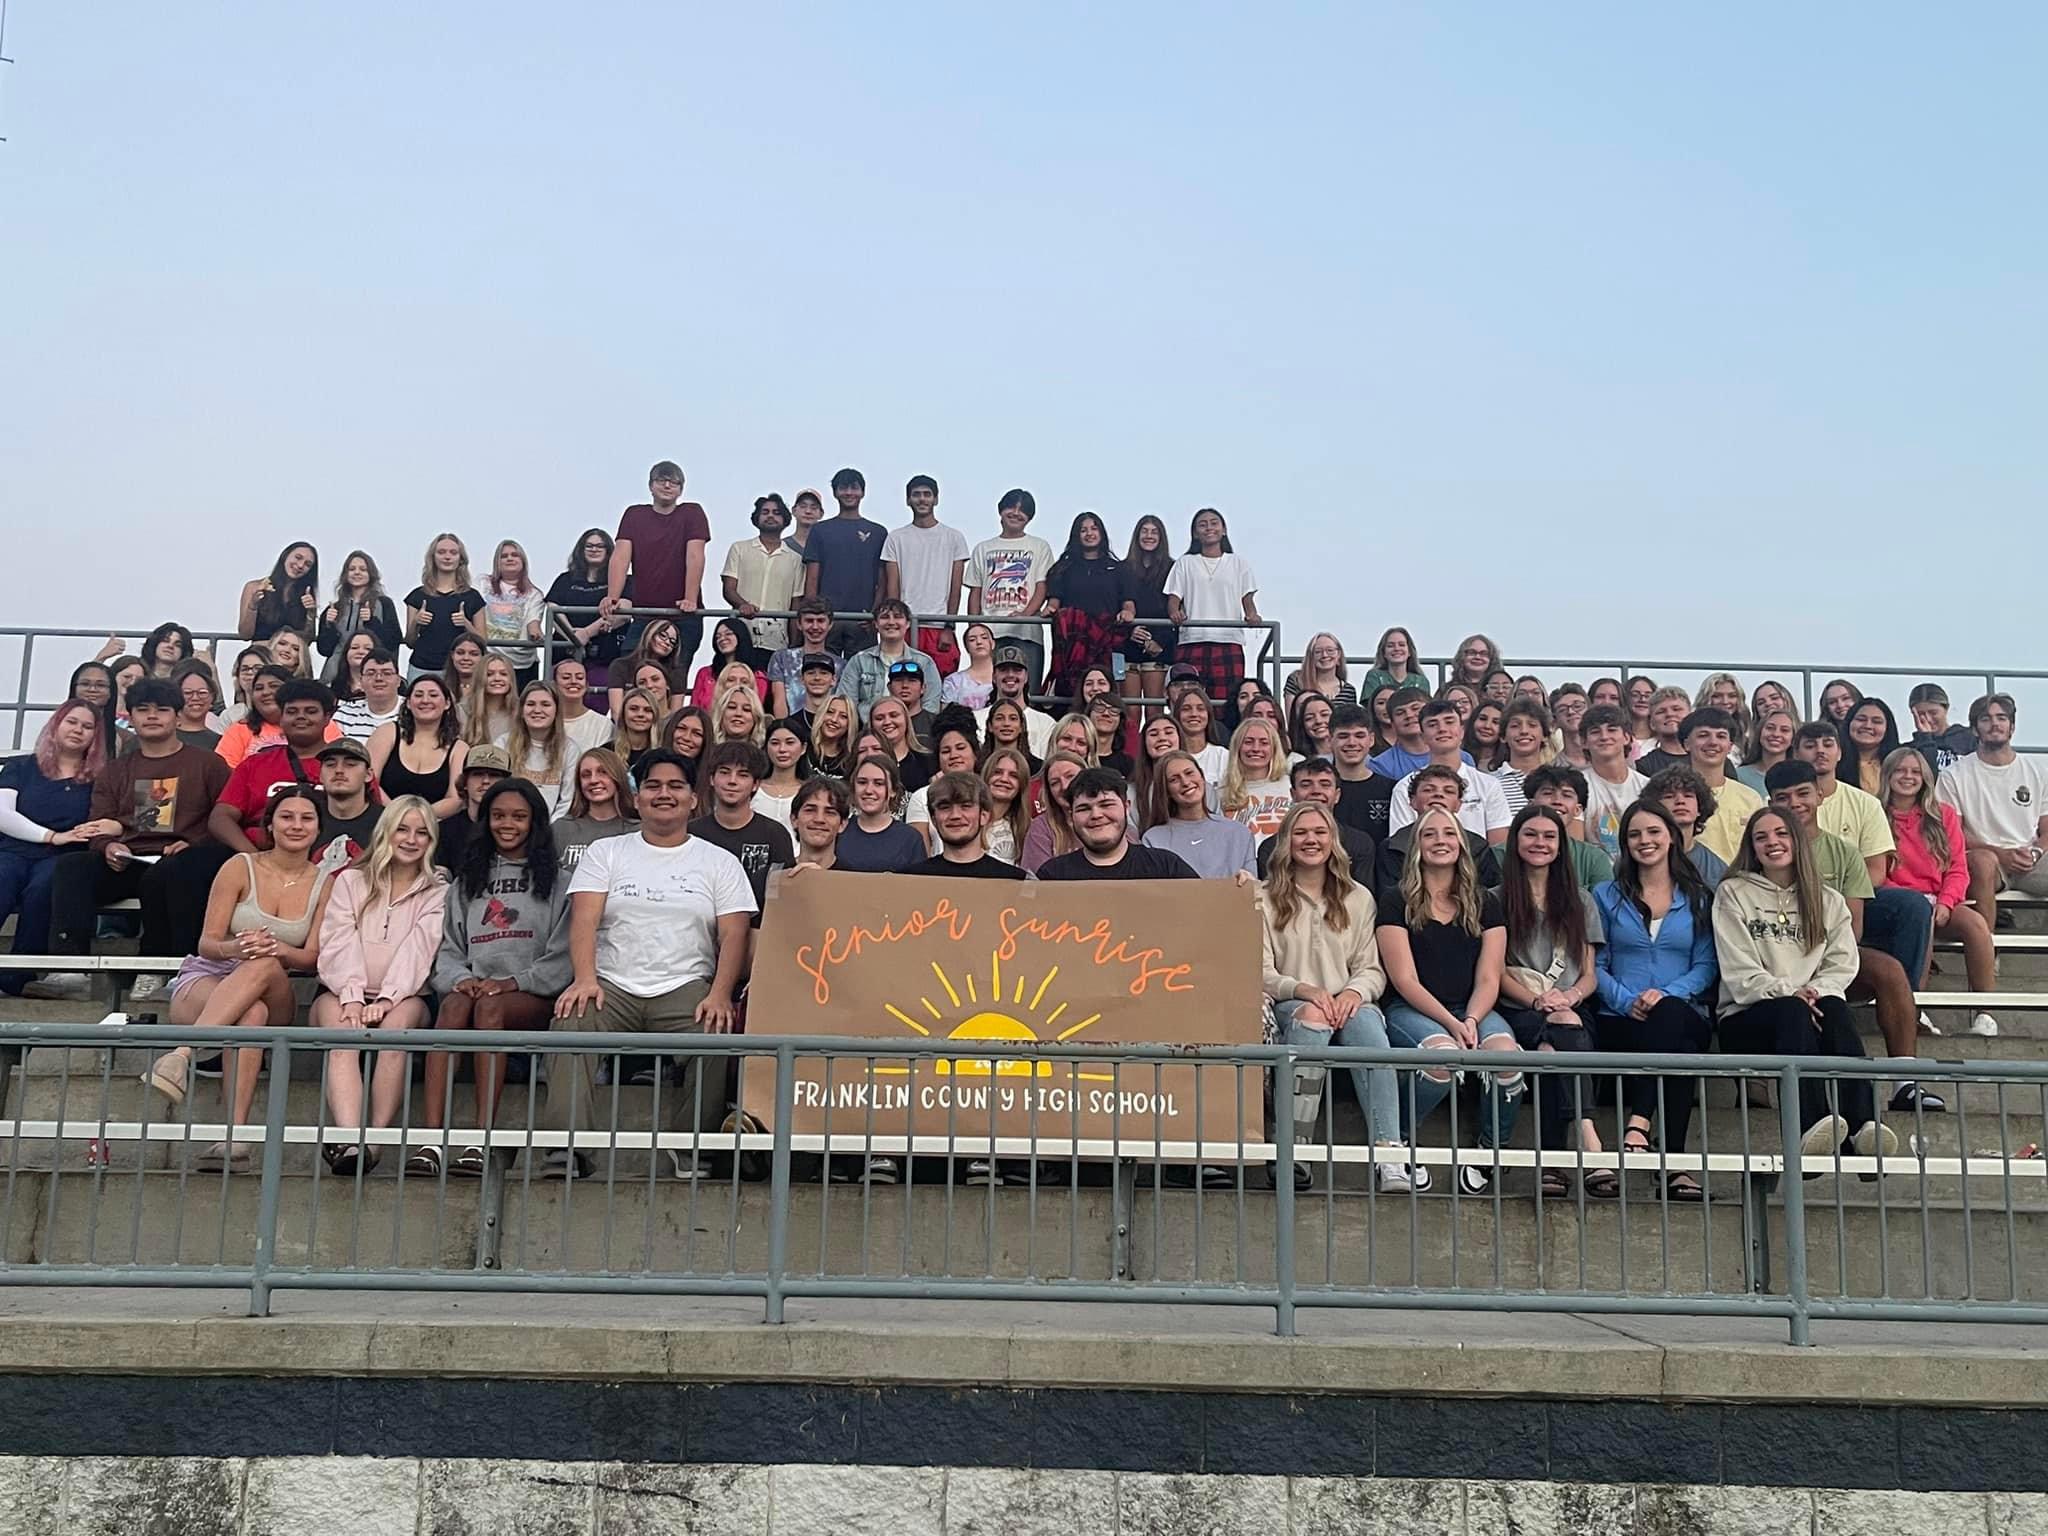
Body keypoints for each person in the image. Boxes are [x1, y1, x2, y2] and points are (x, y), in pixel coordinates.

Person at [540, 750, 755, 1178]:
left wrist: (719, 994)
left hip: (685, 987)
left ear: (695, 799)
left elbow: (734, 935)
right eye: (653, 786)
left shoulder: (719, 862)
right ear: (637, 799)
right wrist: (584, 978)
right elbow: (584, 920)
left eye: (676, 786)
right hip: (611, 985)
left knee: (718, 1027)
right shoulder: (607, 852)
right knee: (569, 1020)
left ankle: (691, 1145)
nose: (664, 794)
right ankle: (569, 1148)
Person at [140, 787, 337, 1167]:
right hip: (212, 976)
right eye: (287, 817)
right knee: (251, 1015)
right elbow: (207, 942)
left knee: (263, 966)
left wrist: (276, 950)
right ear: (270, 824)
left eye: (306, 818)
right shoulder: (239, 867)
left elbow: (312, 959)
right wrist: (236, 948)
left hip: (276, 985)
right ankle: (236, 1137)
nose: (296, 825)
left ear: (318, 829)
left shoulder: (326, 883)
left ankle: (182, 1053)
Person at [1716, 806, 1898, 1166]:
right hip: (1747, 1015)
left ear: (1797, 842)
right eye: (1761, 837)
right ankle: (1810, 1127)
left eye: (1781, 834)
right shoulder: (1732, 893)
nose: (1772, 842)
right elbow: (1738, 967)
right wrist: (1791, 992)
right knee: (1792, 1009)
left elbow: (1842, 962)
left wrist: (1814, 993)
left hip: (1810, 1008)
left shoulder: (1826, 898)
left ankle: (1863, 1126)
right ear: (1751, 848)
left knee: (1833, 1007)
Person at [1261, 802, 1423, 1192]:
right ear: (1285, 842)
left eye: (1320, 832)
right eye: (1300, 833)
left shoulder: (1359, 898)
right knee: (1312, 1020)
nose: (1310, 840)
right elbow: (1261, 971)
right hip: (1291, 1001)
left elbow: (1371, 967)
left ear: (1333, 841)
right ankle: (1293, 1150)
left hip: (1349, 1000)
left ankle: (1390, 1154)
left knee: (1367, 1024)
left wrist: (1353, 992)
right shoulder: (1262, 897)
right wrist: (1306, 991)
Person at [41, 680, 232, 998]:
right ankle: (69, 967)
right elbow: (98, 823)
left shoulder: (208, 764)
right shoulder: (115, 770)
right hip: (130, 861)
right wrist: (108, 846)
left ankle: (160, 967)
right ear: (130, 716)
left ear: (177, 716)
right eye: (143, 710)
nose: (152, 716)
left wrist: (195, 843)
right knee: (72, 866)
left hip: (183, 862)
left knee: (172, 872)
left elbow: (225, 817)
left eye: (162, 709)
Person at [422, 777, 573, 1176]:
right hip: (474, 991)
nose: (508, 824)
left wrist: (512, 983)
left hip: (531, 998)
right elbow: (449, 948)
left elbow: (563, 955)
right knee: (453, 1004)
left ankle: (480, 1140)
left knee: (488, 1008)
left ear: (535, 823)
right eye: (499, 815)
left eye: (519, 817)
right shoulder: (466, 880)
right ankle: (430, 1140)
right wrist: (460, 978)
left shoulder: (558, 882)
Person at [1765, 761, 1940, 1105]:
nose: (1795, 803)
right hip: (1775, 958)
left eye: (1803, 793)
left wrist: (1823, 972)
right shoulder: (1761, 850)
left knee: (1890, 969)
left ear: (1819, 795)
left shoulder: (1843, 851)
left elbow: (1853, 925)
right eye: (1783, 798)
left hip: (1830, 954)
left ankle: (1904, 1082)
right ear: (1771, 803)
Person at [1376, 806, 1521, 1194]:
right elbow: (1403, 979)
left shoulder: (1485, 902)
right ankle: (1400, 1140)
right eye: (1430, 834)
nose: (1440, 841)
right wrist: (1452, 1024)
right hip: (1413, 1008)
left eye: (1449, 833)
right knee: (1441, 1060)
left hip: (1473, 1007)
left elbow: (1491, 976)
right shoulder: (1395, 901)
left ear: (1462, 845)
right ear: (1417, 847)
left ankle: (1491, 1151)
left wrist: (1471, 1019)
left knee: (1508, 1061)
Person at [1591, 801, 1719, 1197]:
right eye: (1634, 834)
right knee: (1677, 1050)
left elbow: (1707, 964)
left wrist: (1666, 995)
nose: (1644, 841)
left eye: (1653, 832)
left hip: (1683, 1010)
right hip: (1618, 1017)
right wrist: (1627, 1000)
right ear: (1624, 843)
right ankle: (1675, 1167)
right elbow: (1593, 963)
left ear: (1671, 837)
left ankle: (1639, 1122)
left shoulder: (1699, 896)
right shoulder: (1604, 895)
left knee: (1675, 1023)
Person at [311, 798, 446, 1172]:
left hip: (406, 995)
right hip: (340, 991)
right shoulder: (351, 881)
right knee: (343, 1035)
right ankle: (351, 1140)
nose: (411, 839)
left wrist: (387, 998)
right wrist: (353, 996)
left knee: (395, 1033)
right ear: (386, 831)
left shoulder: (437, 890)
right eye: (403, 829)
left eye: (422, 832)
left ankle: (375, 1139)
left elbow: (421, 949)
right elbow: (338, 939)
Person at [1496, 805, 1616, 1198]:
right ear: (1516, 841)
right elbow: (1494, 972)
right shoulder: (1495, 898)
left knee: (1554, 1044)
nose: (1540, 843)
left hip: (1572, 1007)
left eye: (1549, 837)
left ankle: (1553, 1160)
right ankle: (1589, 1139)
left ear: (1562, 845)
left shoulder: (1580, 900)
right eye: (1531, 834)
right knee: (1554, 1036)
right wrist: (1537, 1002)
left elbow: (1589, 974)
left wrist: (1568, 996)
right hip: (1518, 1008)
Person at [0, 703, 119, 998]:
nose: (78, 730)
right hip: (15, 850)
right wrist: (52, 836)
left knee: (43, 889)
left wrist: (101, 828)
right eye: (72, 722)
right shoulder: (22, 766)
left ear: (96, 736)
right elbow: (2, 813)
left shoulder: (101, 778)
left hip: (63, 857)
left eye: (87, 726)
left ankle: (17, 977)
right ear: (56, 725)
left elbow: (111, 817)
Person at [1884, 747, 1998, 1038]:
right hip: (1899, 902)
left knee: (1975, 924)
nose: (1907, 777)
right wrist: (1916, 902)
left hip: (1939, 899)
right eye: (1900, 770)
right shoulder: (1875, 813)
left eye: (1914, 772)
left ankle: (1985, 1011)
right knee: (1919, 917)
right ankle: (1915, 1008)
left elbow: (1958, 868)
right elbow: (1874, 872)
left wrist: (1946, 902)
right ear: (1888, 775)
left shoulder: (1942, 814)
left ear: (1925, 778)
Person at [1939, 693, 2048, 931]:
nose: (1995, 724)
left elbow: (2046, 830)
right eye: (1986, 719)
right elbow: (1953, 833)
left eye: (2002, 718)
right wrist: (2000, 853)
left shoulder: (2037, 771)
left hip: (2029, 860)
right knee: (1983, 862)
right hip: (1984, 860)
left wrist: (2036, 853)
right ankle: (1988, 948)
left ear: (2012, 726)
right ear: (1975, 729)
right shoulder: (1954, 775)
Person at [604, 460, 712, 677]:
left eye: (675, 482)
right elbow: (621, 556)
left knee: (675, 675)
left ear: (681, 489)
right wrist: (612, 597)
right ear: (651, 485)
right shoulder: (635, 514)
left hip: (682, 615)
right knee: (630, 669)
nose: (667, 485)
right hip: (644, 613)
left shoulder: (691, 512)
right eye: (661, 480)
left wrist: (689, 598)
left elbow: (695, 555)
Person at [690, 741, 796, 938]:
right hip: (697, 937)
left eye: (743, 775)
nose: (732, 781)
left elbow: (783, 898)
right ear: (712, 779)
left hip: (758, 937)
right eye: (724, 772)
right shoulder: (692, 832)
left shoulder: (775, 834)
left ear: (756, 784)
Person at [1162, 508, 1260, 706]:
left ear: (1223, 529)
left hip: (1228, 640)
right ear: (1195, 533)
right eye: (1202, 524)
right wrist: (1174, 612)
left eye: (1214, 523)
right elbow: (1173, 597)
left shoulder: (1238, 563)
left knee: (1227, 701)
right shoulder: (1185, 562)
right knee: (1189, 701)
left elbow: (1247, 600)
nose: (1209, 528)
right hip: (1193, 640)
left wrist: (1252, 615)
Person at [1036, 767, 1199, 880]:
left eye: (1106, 805)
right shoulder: (1053, 876)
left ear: (1126, 807)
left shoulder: (1166, 868)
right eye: (1084, 809)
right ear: (1072, 817)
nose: (1096, 815)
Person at [963, 488, 1055, 687]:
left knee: (1028, 690)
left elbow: (1042, 588)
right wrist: (974, 627)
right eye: (1011, 508)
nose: (1015, 513)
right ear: (1001, 511)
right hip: (990, 632)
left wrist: (1026, 615)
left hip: (1026, 633)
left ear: (1029, 518)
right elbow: (975, 591)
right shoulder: (983, 548)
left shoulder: (1039, 546)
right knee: (989, 689)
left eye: (1022, 510)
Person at [1387, 700, 1513, 846]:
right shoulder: (1404, 787)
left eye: (1449, 722)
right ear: (1422, 737)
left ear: (1462, 731)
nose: (1442, 729)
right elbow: (1402, 844)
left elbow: (1498, 846)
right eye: (1433, 724)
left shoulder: (1489, 785)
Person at [881, 474, 969, 673]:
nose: (922, 499)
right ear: (908, 500)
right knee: (899, 681)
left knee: (939, 683)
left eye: (927, 494)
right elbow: (892, 586)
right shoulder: (896, 538)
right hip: (906, 624)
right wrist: (894, 624)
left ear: (936, 499)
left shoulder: (953, 537)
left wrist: (950, 626)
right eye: (916, 495)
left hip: (938, 626)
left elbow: (956, 587)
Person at [1375, 766, 1505, 899]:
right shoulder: (1392, 847)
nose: (1438, 794)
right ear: (1412, 801)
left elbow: (1490, 896)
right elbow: (1389, 898)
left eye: (1448, 791)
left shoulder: (1477, 846)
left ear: (1458, 804)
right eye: (1428, 790)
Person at [800, 468, 889, 658]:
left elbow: (883, 580)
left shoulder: (878, 532)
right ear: (835, 492)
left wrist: (875, 615)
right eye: (843, 488)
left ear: (863, 492)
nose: (849, 493)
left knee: (863, 679)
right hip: (827, 620)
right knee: (822, 673)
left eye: (854, 488)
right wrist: (813, 614)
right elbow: (812, 577)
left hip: (863, 620)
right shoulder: (820, 530)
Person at [1043, 511, 1125, 701]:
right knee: (1070, 692)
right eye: (1083, 530)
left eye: (1094, 528)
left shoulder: (1118, 569)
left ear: (1102, 533)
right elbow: (1054, 599)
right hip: (1072, 641)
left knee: (1104, 688)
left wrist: (1128, 612)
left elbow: (1127, 603)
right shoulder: (1063, 568)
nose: (1089, 533)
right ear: (1076, 535)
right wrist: (1050, 609)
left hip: (1104, 638)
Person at [1142, 749, 1257, 879]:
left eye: (1189, 773)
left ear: (1202, 777)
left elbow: (1253, 891)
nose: (1185, 782)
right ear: (1166, 791)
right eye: (1174, 779)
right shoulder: (1153, 839)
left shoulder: (1239, 833)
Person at [545, 529, 633, 696]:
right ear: (581, 549)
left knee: (595, 706)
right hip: (565, 653)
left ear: (609, 551)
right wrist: (573, 637)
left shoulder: (623, 580)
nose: (594, 549)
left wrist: (586, 633)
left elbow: (623, 612)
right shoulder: (565, 579)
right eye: (589, 546)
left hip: (605, 657)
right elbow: (552, 610)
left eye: (600, 546)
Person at [1255, 758, 1374, 878]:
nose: (1316, 791)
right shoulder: (1271, 848)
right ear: (1293, 794)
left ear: (1337, 795)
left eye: (1325, 785)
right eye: (1306, 785)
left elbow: (1362, 894)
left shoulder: (1360, 843)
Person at [368, 675, 466, 822]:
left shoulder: (459, 749)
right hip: (383, 821)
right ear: (407, 703)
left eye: (433, 695)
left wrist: (416, 818)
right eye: (418, 695)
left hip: (433, 826)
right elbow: (369, 780)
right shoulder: (387, 732)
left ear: (447, 704)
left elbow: (455, 799)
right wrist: (395, 815)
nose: (425, 700)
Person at [721, 493, 806, 656]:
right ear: (757, 518)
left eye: (776, 512)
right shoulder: (739, 549)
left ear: (785, 519)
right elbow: (728, 589)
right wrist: (742, 605)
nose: (771, 516)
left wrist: (794, 645)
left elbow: (795, 603)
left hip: (777, 641)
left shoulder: (795, 559)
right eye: (765, 512)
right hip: (741, 634)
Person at [1676, 708, 1763, 864]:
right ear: (1686, 744)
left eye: (1721, 736)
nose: (1713, 742)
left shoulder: (1750, 798)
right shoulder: (1674, 797)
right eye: (1703, 735)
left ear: (1730, 746)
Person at [909, 770, 1029, 880]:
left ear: (984, 816)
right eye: (945, 807)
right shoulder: (911, 879)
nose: (955, 815)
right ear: (934, 819)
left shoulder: (1015, 881)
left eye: (966, 806)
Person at [834, 599, 940, 722]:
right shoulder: (859, 661)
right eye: (884, 617)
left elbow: (931, 707)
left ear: (908, 623)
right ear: (876, 624)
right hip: (866, 733)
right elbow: (846, 705)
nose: (891, 622)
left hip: (912, 734)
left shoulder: (924, 662)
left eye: (897, 617)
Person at [404, 534, 486, 681]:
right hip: (422, 668)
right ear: (433, 557)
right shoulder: (417, 596)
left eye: (453, 553)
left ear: (460, 559)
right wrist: (416, 622)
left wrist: (466, 624)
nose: (447, 557)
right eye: (441, 552)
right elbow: (410, 642)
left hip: (459, 671)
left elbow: (483, 642)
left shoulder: (473, 597)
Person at [1116, 515, 1177, 712]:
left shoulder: (1172, 568)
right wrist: (1129, 631)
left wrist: (1158, 642)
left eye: (1154, 531)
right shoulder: (1122, 568)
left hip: (1158, 648)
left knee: (1154, 711)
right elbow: (1114, 607)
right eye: (1144, 531)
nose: (1149, 536)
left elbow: (1176, 609)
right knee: (1129, 712)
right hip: (1125, 649)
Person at [315, 550, 402, 686]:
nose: (357, 572)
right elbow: (324, 649)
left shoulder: (384, 604)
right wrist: (329, 624)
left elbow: (393, 641)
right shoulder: (333, 608)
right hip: (335, 677)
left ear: (371, 574)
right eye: (352, 569)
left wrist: (372, 622)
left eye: (363, 569)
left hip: (373, 677)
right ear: (345, 574)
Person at [1523, 764, 1615, 890]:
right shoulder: (1501, 854)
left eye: (1566, 795)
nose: (1557, 801)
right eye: (1548, 793)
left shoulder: (1594, 858)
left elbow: (1603, 904)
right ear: (1531, 804)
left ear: (1578, 810)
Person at [835, 754, 928, 872]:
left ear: (893, 790)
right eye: (862, 782)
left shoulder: (910, 839)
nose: (868, 790)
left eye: (878, 783)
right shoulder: (839, 832)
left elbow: (918, 886)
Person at [1641, 765, 1728, 888]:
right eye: (1669, 796)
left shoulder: (1716, 868)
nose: (1680, 801)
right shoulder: (1640, 856)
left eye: (1688, 796)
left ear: (1700, 808)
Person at [1578, 705, 1646, 858]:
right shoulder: (1577, 786)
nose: (1604, 737)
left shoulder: (1647, 786)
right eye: (1595, 732)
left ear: (1627, 738)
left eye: (1612, 729)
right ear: (1584, 742)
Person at [553, 747, 637, 871]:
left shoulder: (637, 831)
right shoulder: (561, 829)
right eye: (586, 775)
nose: (593, 780)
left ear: (617, 777)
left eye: (602, 772)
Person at [431, 744, 510, 873]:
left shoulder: (514, 830)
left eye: (494, 775)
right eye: (477, 774)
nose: (485, 781)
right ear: (465, 782)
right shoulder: (445, 831)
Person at [1324, 703, 1396, 845]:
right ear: (1330, 740)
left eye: (1359, 735)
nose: (1352, 742)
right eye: (1343, 736)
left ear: (1371, 739)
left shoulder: (1390, 789)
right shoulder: (1320, 790)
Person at [1219, 718, 1294, 839]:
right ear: (1237, 747)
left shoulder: (1290, 786)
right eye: (1248, 742)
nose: (1256, 748)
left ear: (1274, 748)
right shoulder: (1221, 793)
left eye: (1264, 743)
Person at [505, 682, 572, 816]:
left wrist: (547, 829)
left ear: (556, 711)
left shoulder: (570, 749)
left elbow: (567, 801)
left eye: (545, 705)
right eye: (530, 704)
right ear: (522, 711)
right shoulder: (503, 744)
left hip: (553, 829)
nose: (537, 710)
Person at [311, 738, 382, 860]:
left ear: (368, 775)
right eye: (330, 765)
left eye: (350, 764)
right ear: (320, 775)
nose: (339, 770)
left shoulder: (386, 822)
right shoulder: (307, 819)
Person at [765, 599, 837, 717]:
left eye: (820, 621)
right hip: (791, 729)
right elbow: (779, 702)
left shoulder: (841, 664)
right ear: (799, 624)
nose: (815, 626)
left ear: (830, 625)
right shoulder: (781, 658)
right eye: (809, 621)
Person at [239, 542, 319, 642]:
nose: (300, 565)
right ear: (285, 556)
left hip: (289, 655)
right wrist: (253, 605)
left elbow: (308, 640)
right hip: (261, 652)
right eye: (298, 557)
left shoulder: (306, 595)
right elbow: (245, 635)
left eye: (308, 564)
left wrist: (311, 611)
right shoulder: (255, 587)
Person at [1019, 752, 1085, 874]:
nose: (1064, 786)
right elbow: (1036, 881)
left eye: (1070, 776)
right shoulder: (1041, 828)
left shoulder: (1106, 820)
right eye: (1055, 783)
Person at [608, 616, 684, 718]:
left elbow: (675, 715)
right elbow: (616, 711)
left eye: (672, 642)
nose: (667, 642)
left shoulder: (676, 671)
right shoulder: (621, 665)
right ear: (650, 633)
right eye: (663, 635)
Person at [1839, 697, 1911, 798]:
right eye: (1861, 719)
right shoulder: (1833, 763)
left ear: (1887, 728)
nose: (1868, 726)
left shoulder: (1899, 763)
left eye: (1876, 721)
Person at [1492, 697, 1553, 814]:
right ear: (1503, 736)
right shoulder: (1489, 782)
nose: (1524, 731)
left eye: (1532, 725)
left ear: (1545, 735)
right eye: (1515, 726)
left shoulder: (1559, 780)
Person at [334, 647, 403, 742]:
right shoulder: (343, 715)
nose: (379, 678)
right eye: (371, 673)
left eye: (387, 673)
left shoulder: (414, 711)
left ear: (398, 681)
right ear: (361, 681)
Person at [551, 655, 615, 757]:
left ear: (586, 685)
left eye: (579, 677)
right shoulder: (546, 721)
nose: (573, 681)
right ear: (554, 685)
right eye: (566, 677)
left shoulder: (603, 724)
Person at [752, 719, 808, 834]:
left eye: (790, 742)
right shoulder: (752, 789)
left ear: (803, 748)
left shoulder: (809, 792)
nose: (782, 749)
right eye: (775, 743)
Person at [1908, 683, 1975, 776]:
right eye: (1921, 714)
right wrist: (1925, 738)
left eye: (1933, 713)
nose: (1928, 719)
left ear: (1946, 709)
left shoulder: (1969, 738)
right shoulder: (1910, 749)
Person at [1366, 692, 1435, 780]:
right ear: (1392, 724)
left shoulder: (1453, 754)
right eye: (1400, 713)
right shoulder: (1380, 765)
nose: (1409, 715)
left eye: (1415, 708)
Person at [459, 654, 519, 749]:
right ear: (480, 678)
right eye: (489, 674)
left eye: (503, 674)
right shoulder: (461, 712)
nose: (497, 678)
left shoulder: (520, 712)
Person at [790, 774, 849, 870]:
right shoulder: (771, 877)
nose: (819, 819)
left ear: (842, 824)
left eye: (830, 812)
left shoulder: (855, 880)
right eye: (810, 810)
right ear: (794, 820)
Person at [1736, 708, 1797, 796]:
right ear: (1760, 732)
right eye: (1770, 728)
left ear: (1793, 738)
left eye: (1784, 730)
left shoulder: (1801, 776)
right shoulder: (1739, 775)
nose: (1776, 734)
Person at [1357, 627, 1428, 700]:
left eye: (1401, 645)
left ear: (1409, 651)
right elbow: (1369, 706)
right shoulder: (1374, 676)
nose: (1396, 648)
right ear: (1383, 652)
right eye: (1390, 646)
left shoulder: (1421, 681)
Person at [168, 658, 224, 751]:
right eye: (187, 693)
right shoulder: (162, 738)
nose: (195, 698)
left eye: (202, 692)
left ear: (212, 697)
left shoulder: (223, 742)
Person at [942, 621, 998, 711]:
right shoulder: (953, 681)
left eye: (984, 638)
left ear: (993, 644)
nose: (979, 642)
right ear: (966, 647)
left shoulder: (1004, 678)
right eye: (972, 640)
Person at [1463, 700, 1507, 774]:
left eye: (1496, 722)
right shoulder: (1460, 758)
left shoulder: (1508, 765)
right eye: (1482, 719)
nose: (1487, 726)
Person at [440, 633, 484, 705]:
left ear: (483, 657)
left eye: (473, 654)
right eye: (460, 653)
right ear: (452, 655)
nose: (466, 658)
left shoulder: (490, 688)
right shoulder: (440, 687)